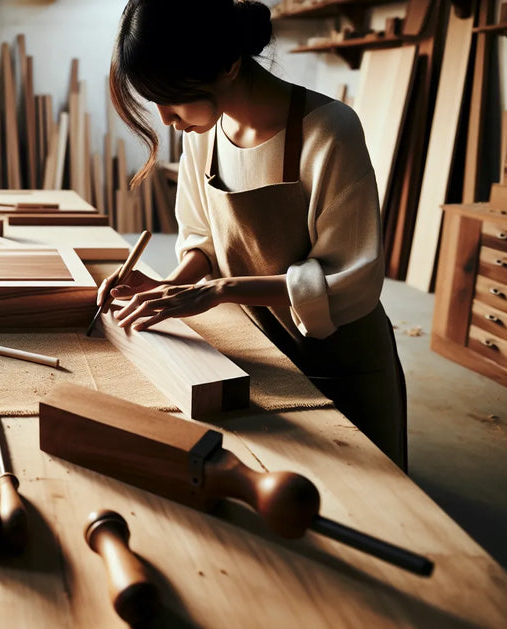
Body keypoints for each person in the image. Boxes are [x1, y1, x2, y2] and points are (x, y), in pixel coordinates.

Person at [103, 0, 408, 469]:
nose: (165, 117)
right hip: (258, 345)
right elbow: (203, 239)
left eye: (171, 95)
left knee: (370, 496)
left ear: (226, 65)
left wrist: (218, 291)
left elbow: (352, 281)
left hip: (336, 357)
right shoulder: (203, 132)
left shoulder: (329, 131)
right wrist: (172, 285)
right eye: (154, 100)